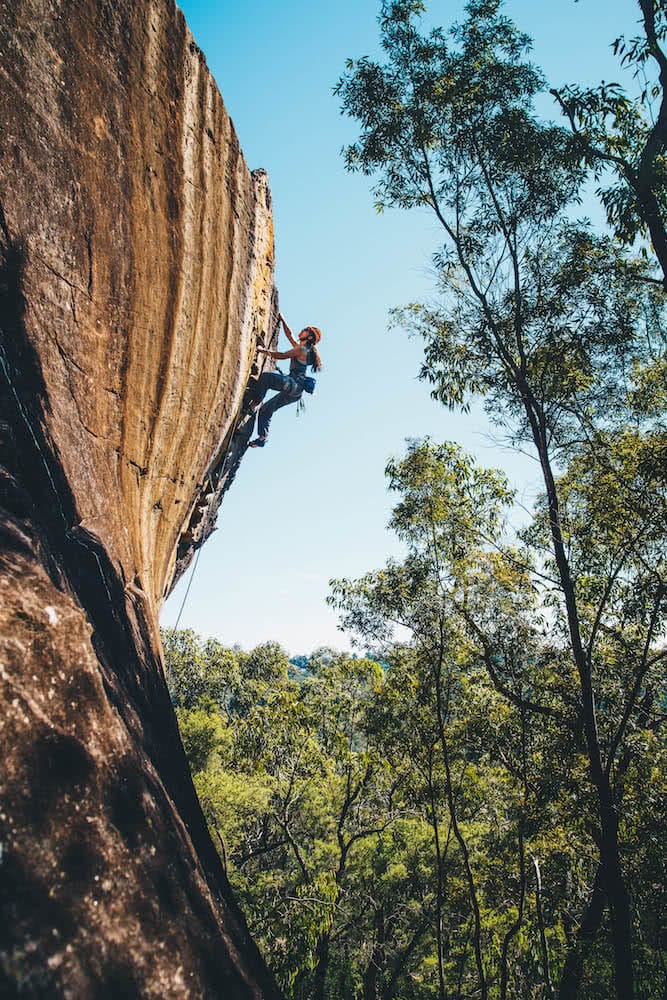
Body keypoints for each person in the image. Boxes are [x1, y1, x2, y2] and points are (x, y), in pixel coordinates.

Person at [246, 314, 322, 448]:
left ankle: (254, 403)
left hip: (293, 385)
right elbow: (290, 335)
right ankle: (262, 438)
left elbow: (282, 356)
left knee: (266, 378)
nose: (302, 329)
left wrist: (262, 351)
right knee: (266, 410)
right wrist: (282, 320)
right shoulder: (303, 348)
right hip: (296, 394)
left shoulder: (302, 349)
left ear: (309, 336)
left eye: (305, 329)